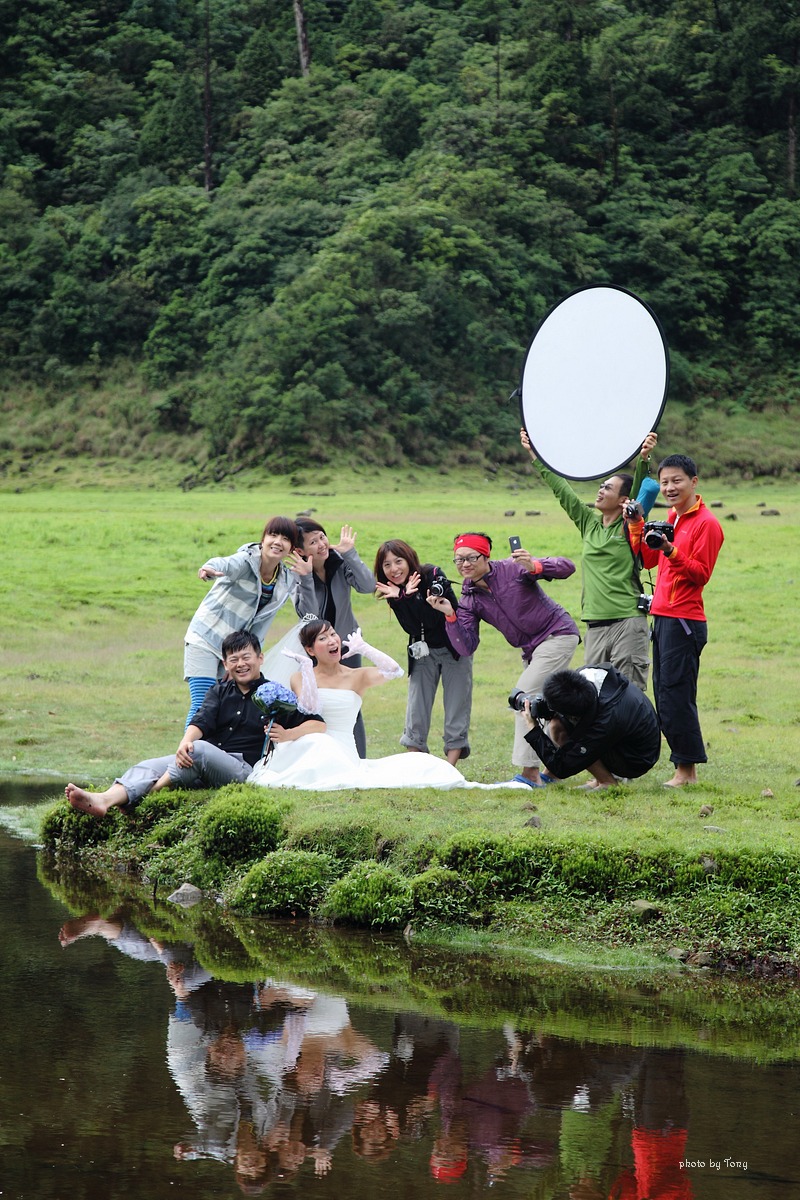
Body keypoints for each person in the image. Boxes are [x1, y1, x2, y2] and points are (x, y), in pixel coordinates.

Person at [65, 631, 325, 817]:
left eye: (246, 657)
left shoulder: (274, 694)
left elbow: (317, 724)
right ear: (225, 664)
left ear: (260, 658)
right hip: (202, 761)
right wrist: (184, 743)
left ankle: (148, 796)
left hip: (242, 769)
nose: (241, 664)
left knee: (198, 750)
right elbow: (201, 719)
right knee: (150, 764)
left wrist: (287, 733)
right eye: (233, 659)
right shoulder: (219, 691)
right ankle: (103, 800)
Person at [247, 619, 528, 791]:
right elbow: (310, 708)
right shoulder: (300, 677)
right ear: (310, 649)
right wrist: (308, 671)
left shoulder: (357, 676)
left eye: (332, 634)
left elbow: (394, 671)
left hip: (342, 749)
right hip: (312, 741)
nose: (332, 641)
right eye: (323, 639)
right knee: (316, 746)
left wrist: (365, 648)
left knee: (422, 765)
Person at [427, 532, 580, 788]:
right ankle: (558, 767)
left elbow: (568, 567)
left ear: (485, 556)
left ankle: (530, 773)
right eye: (459, 559)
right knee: (549, 709)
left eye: (471, 557)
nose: (464, 564)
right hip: (531, 651)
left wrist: (535, 566)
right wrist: (450, 615)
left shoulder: (513, 569)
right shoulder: (469, 598)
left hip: (557, 634)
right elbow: (466, 646)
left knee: (523, 699)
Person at [520, 428, 658, 690]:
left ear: (623, 499)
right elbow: (563, 491)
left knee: (628, 693)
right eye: (601, 486)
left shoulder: (630, 526)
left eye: (608, 488)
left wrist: (643, 458)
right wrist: (536, 455)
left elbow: (640, 491)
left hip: (628, 621)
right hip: (594, 625)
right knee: (594, 695)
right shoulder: (589, 524)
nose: (600, 490)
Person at [627, 453, 724, 787]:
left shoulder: (706, 523)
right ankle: (683, 767)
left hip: (684, 619)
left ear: (693, 482)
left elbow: (701, 574)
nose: (669, 487)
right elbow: (648, 560)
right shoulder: (672, 517)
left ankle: (687, 771)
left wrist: (671, 550)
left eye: (676, 481)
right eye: (664, 482)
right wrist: (637, 524)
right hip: (664, 616)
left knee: (676, 695)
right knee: (664, 694)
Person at [183, 515, 301, 725]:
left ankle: (204, 747)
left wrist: (244, 659)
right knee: (203, 705)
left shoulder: (284, 580)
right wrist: (209, 568)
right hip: (205, 638)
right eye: (273, 535)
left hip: (234, 652)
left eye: (285, 539)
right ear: (263, 539)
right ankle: (187, 747)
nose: (278, 542)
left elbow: (262, 624)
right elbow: (226, 564)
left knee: (220, 708)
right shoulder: (247, 561)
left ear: (291, 548)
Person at [374, 539, 472, 765]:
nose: (394, 569)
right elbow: (411, 627)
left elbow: (432, 620)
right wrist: (401, 598)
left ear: (409, 560)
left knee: (456, 704)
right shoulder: (393, 590)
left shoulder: (432, 576)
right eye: (387, 565)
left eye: (398, 561)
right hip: (423, 651)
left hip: (454, 648)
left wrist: (408, 597)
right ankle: (415, 763)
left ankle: (450, 766)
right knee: (416, 705)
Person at [292, 519, 376, 757]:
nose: (321, 544)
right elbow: (309, 617)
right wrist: (306, 579)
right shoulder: (298, 575)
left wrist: (350, 554)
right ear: (300, 550)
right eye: (313, 542)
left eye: (322, 537)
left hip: (347, 646)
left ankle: (358, 759)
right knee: (317, 709)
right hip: (316, 652)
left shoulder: (339, 562)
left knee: (351, 706)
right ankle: (322, 759)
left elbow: (368, 586)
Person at [520, 663, 661, 788]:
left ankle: (607, 782)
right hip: (620, 734)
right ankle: (594, 778)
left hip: (636, 758)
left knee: (574, 737)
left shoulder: (604, 721)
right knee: (557, 725)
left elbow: (562, 768)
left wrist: (534, 729)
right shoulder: (585, 676)